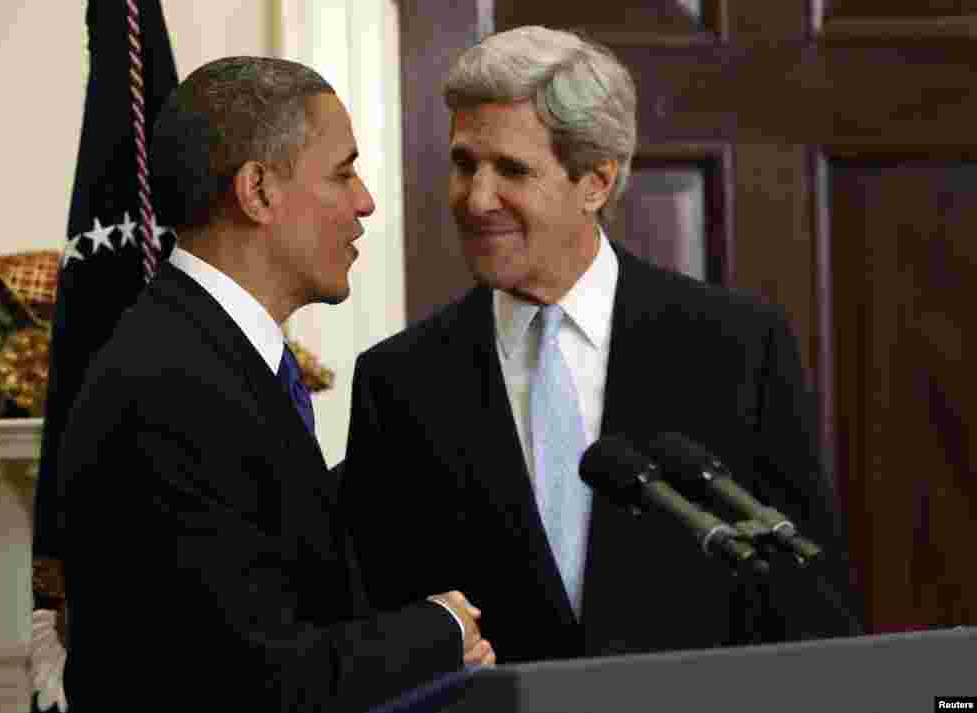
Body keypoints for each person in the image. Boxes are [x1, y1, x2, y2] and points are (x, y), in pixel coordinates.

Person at [341, 26, 862, 665]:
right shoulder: (400, 381)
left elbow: (809, 602)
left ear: (596, 181)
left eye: (511, 169)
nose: (477, 199)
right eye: (464, 163)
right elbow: (374, 624)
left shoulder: (734, 348)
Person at [57, 56, 493, 713]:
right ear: (258, 190)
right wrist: (440, 628)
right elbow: (257, 679)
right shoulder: (172, 385)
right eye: (343, 173)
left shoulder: (213, 355)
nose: (365, 200)